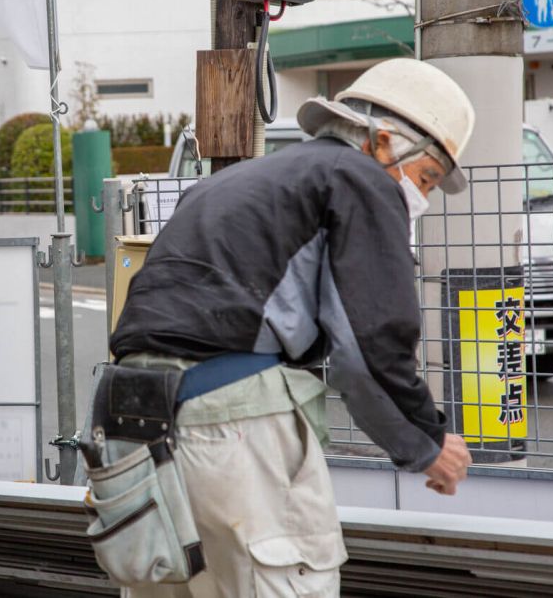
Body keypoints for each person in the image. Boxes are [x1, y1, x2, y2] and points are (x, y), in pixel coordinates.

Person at [107, 58, 475, 597]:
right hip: (233, 426)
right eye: (426, 178)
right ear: (382, 142)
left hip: (131, 419)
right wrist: (427, 441)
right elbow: (370, 346)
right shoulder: (362, 180)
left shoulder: (231, 183)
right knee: (289, 577)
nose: (419, 197)